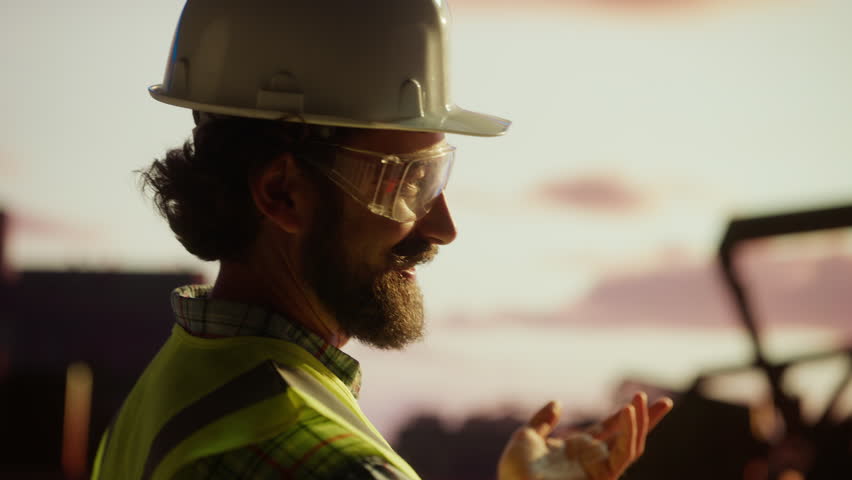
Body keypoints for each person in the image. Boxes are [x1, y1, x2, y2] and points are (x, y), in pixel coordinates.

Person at [92, 1, 673, 479]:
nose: (442, 227)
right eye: (405, 181)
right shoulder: (329, 461)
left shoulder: (167, 397)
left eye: (435, 177)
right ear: (283, 193)